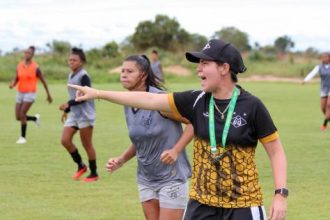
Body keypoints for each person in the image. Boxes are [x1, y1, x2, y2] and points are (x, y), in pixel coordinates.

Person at [69, 39, 288, 220]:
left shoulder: (252, 106)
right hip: (201, 205)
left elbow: (276, 152)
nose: (198, 69)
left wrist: (280, 194)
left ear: (224, 68)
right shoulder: (195, 101)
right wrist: (98, 93)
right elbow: (147, 99)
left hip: (243, 205)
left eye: (204, 63)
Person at [106, 54, 192, 220]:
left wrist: (176, 150)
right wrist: (121, 159)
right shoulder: (128, 101)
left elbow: (194, 122)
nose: (123, 74)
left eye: (130, 71)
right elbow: (140, 139)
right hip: (146, 178)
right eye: (122, 71)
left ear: (143, 74)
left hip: (171, 178)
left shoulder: (161, 100)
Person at [59, 47, 98, 182]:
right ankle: (81, 166)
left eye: (74, 60)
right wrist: (68, 109)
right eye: (70, 60)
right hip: (75, 114)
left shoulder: (84, 76)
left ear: (81, 62)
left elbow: (86, 96)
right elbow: (74, 96)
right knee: (65, 140)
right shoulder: (71, 75)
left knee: (87, 144)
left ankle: (94, 173)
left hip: (85, 114)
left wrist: (68, 104)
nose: (71, 62)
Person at [9, 46, 53, 144]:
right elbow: (17, 78)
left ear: (32, 55)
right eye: (25, 52)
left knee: (22, 114)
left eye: (28, 53)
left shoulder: (36, 68)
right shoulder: (19, 65)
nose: (26, 54)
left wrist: (48, 95)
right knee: (18, 117)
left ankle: (23, 138)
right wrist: (12, 84)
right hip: (20, 92)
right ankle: (35, 118)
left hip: (30, 93)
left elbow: (43, 81)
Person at [302, 52, 330, 131]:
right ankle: (328, 118)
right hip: (324, 88)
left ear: (329, 58)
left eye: (325, 57)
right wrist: (305, 80)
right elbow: (312, 73)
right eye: (322, 57)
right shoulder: (319, 67)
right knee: (323, 108)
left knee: (329, 105)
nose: (323, 59)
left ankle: (324, 125)